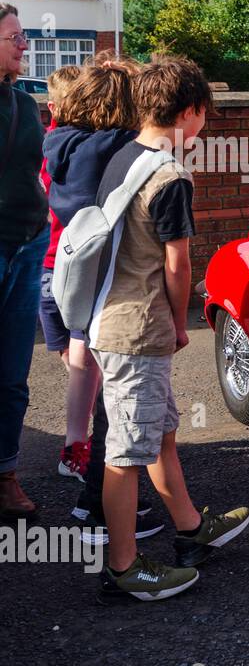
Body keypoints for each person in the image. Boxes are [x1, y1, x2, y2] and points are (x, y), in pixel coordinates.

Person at [92, 54, 249, 602]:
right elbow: (177, 264)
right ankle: (124, 567)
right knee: (126, 449)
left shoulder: (123, 159)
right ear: (190, 111)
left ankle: (189, 527)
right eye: (205, 113)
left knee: (158, 430)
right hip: (138, 327)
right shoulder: (170, 175)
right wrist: (182, 322)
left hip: (112, 317)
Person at [44, 56, 163, 541]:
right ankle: (101, 512)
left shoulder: (60, 142)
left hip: (67, 275)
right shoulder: (114, 150)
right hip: (107, 286)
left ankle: (96, 492)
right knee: (118, 402)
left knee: (103, 391)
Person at [37, 64, 102, 482]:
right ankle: (82, 447)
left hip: (47, 269)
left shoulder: (47, 148)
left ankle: (78, 443)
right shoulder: (93, 151)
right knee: (86, 362)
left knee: (77, 361)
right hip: (77, 269)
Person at [0, 4, 50, 521]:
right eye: (15, 36)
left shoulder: (23, 101)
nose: (25, 44)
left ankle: (6, 476)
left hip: (27, 244)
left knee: (13, 375)